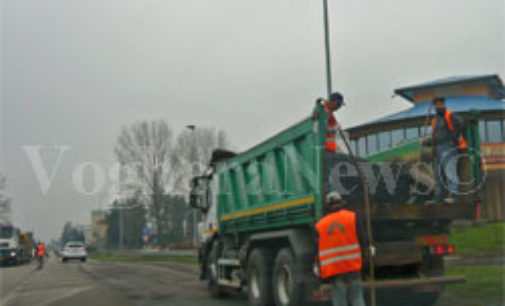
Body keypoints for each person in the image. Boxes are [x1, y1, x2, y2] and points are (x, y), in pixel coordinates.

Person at [315, 191, 373, 306]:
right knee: (357, 297)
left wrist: (317, 265)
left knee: (339, 300)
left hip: (335, 269)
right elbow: (363, 238)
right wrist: (368, 249)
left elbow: (317, 248)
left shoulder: (320, 225)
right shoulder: (352, 217)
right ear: (341, 203)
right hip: (352, 265)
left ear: (328, 206)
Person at [422, 97, 467, 204]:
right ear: (434, 107)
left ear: (444, 104)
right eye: (436, 105)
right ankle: (438, 197)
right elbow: (435, 136)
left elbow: (461, 124)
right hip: (437, 148)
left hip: (449, 146)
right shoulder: (435, 120)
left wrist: (452, 137)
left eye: (440, 104)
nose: (439, 106)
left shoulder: (450, 115)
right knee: (438, 174)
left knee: (449, 171)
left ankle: (454, 196)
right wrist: (426, 141)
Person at [316, 92, 345, 192]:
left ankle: (331, 191)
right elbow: (320, 129)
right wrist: (334, 130)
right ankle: (329, 193)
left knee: (330, 174)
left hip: (330, 149)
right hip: (326, 149)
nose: (339, 107)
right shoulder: (324, 112)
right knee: (327, 175)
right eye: (339, 105)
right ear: (335, 102)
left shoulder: (329, 113)